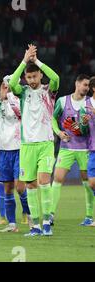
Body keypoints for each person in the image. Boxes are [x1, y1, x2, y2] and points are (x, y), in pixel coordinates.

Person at [9, 44, 60, 236]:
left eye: (34, 76)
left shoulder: (49, 91)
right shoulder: (22, 92)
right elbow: (12, 83)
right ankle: (36, 226)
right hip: (27, 145)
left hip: (46, 144)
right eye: (28, 77)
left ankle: (47, 223)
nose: (31, 80)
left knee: (44, 181)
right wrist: (24, 61)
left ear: (40, 75)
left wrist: (36, 61)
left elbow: (56, 77)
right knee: (30, 185)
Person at [0, 78, 31, 233]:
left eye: (8, 87)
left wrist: (11, 97)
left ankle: (28, 213)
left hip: (19, 150)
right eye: (3, 87)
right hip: (4, 153)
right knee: (7, 189)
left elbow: (21, 115)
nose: (6, 90)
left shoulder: (21, 103)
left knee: (20, 187)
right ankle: (12, 224)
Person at [51, 74, 92, 226]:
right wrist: (59, 133)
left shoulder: (90, 103)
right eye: (85, 85)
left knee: (88, 182)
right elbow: (53, 119)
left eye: (88, 86)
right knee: (57, 178)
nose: (87, 88)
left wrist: (87, 124)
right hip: (66, 148)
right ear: (77, 83)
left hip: (85, 148)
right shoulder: (63, 101)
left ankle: (89, 216)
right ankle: (50, 214)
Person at [83, 76, 95, 227]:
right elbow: (82, 128)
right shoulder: (85, 104)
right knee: (92, 183)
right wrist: (83, 123)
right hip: (92, 148)